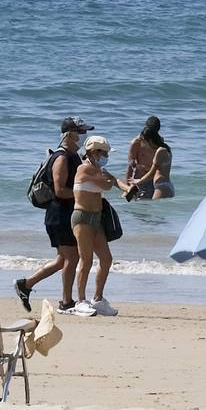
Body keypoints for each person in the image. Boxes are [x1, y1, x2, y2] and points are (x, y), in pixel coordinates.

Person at [15, 117, 89, 313]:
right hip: (59, 214)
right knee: (71, 258)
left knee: (62, 259)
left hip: (64, 213)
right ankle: (66, 302)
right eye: (80, 132)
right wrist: (83, 193)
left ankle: (26, 284)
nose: (83, 136)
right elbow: (59, 191)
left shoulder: (75, 155)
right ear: (69, 134)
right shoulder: (62, 157)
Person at [68, 135, 126, 316]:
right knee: (85, 260)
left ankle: (98, 299)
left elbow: (113, 182)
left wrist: (127, 187)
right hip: (82, 218)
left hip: (97, 218)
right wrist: (113, 180)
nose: (106, 157)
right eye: (104, 153)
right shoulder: (84, 169)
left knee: (106, 259)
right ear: (93, 153)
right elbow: (108, 185)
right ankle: (80, 301)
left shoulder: (97, 169)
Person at [124, 116, 173, 200]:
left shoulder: (159, 143)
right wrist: (127, 187)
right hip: (140, 178)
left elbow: (158, 168)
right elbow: (130, 166)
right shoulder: (136, 142)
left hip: (153, 180)